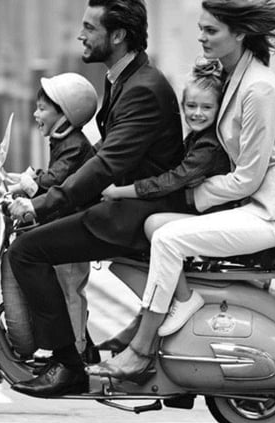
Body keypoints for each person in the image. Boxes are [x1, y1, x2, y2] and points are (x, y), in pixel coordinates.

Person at [87, 0, 275, 383]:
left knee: (167, 238)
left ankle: (142, 348)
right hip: (252, 206)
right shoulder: (233, 77)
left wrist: (190, 197)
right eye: (201, 28)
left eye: (211, 30)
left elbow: (248, 177)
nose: (201, 36)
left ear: (239, 33)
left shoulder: (258, 88)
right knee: (153, 225)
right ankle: (164, 309)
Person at [7, 0, 184, 397]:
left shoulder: (144, 88)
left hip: (136, 213)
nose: (80, 35)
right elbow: (103, 150)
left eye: (90, 27)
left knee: (27, 251)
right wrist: (42, 185)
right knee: (41, 237)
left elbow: (106, 163)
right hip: (122, 204)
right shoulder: (125, 78)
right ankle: (80, 348)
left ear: (118, 35)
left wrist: (44, 204)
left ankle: (67, 364)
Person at [95, 57, 235, 352]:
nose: (197, 113)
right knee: (138, 245)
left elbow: (172, 180)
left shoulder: (209, 145)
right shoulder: (196, 138)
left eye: (206, 107)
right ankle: (145, 319)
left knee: (151, 227)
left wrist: (121, 192)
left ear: (219, 109)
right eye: (191, 106)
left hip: (213, 218)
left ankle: (180, 300)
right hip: (197, 211)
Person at [8, 73, 98, 362]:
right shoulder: (62, 140)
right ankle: (83, 345)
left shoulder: (73, 144)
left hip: (73, 227)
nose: (36, 114)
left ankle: (78, 351)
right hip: (61, 223)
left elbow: (57, 178)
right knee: (63, 288)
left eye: (43, 108)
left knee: (70, 289)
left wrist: (32, 181)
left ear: (66, 113)